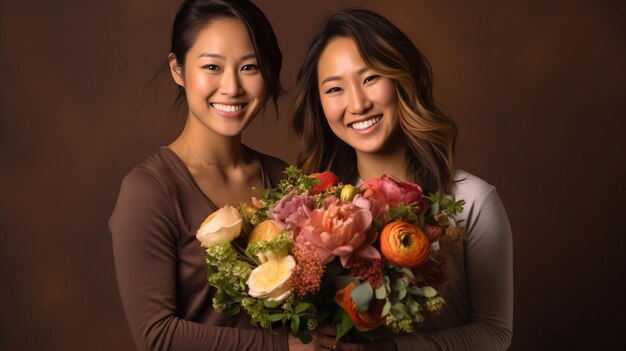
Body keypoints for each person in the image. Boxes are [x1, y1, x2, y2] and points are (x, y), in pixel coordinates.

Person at [110, 1, 338, 350]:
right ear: (177, 69)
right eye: (212, 67)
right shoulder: (149, 191)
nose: (232, 87)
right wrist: (283, 347)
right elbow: (157, 337)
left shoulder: (283, 177)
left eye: (250, 67)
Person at [290, 8, 513, 351]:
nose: (358, 103)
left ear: (402, 77)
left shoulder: (473, 200)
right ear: (319, 105)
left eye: (370, 78)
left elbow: (495, 332)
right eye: (335, 89)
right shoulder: (316, 210)